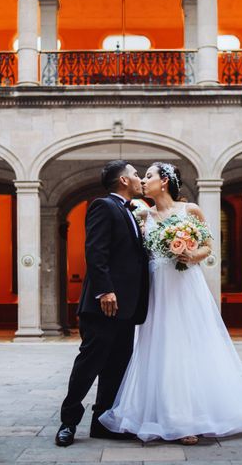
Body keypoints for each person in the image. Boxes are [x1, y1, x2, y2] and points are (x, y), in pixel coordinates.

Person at [99, 162, 242, 445]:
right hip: (158, 289)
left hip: (186, 286)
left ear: (164, 181)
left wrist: (192, 254)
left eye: (148, 176)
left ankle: (195, 416)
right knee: (161, 347)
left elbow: (209, 247)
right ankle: (170, 416)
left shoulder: (190, 211)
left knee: (192, 346)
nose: (143, 180)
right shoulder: (143, 214)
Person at [56, 160, 150, 447]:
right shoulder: (103, 206)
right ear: (123, 180)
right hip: (103, 305)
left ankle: (102, 423)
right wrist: (105, 291)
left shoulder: (132, 211)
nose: (139, 178)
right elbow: (95, 252)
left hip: (127, 307)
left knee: (117, 366)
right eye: (135, 174)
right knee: (89, 364)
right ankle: (68, 423)